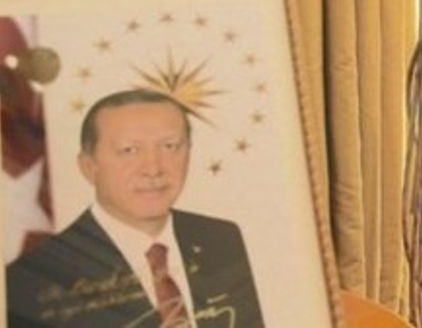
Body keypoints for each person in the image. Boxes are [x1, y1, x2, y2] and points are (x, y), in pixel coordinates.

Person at [6, 90, 264, 328]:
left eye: (170, 146)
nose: (153, 168)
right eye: (129, 150)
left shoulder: (221, 238)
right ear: (88, 166)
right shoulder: (34, 278)